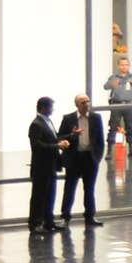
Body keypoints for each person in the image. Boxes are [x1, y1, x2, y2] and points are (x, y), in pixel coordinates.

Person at [56, 93, 105, 224]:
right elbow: (60, 137)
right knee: (70, 189)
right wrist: (72, 135)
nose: (86, 104)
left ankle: (90, 216)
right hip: (74, 158)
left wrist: (98, 157)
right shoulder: (68, 119)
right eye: (83, 102)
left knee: (89, 189)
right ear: (77, 105)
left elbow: (100, 139)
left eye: (88, 101)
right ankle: (65, 217)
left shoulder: (96, 118)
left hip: (90, 158)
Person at [26, 94, 60, 233]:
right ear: (43, 108)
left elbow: (54, 138)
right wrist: (57, 146)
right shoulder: (36, 124)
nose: (52, 110)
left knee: (50, 195)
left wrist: (71, 136)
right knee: (39, 197)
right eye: (51, 107)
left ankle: (48, 221)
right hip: (41, 167)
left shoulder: (48, 122)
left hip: (50, 166)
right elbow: (37, 146)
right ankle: (35, 223)